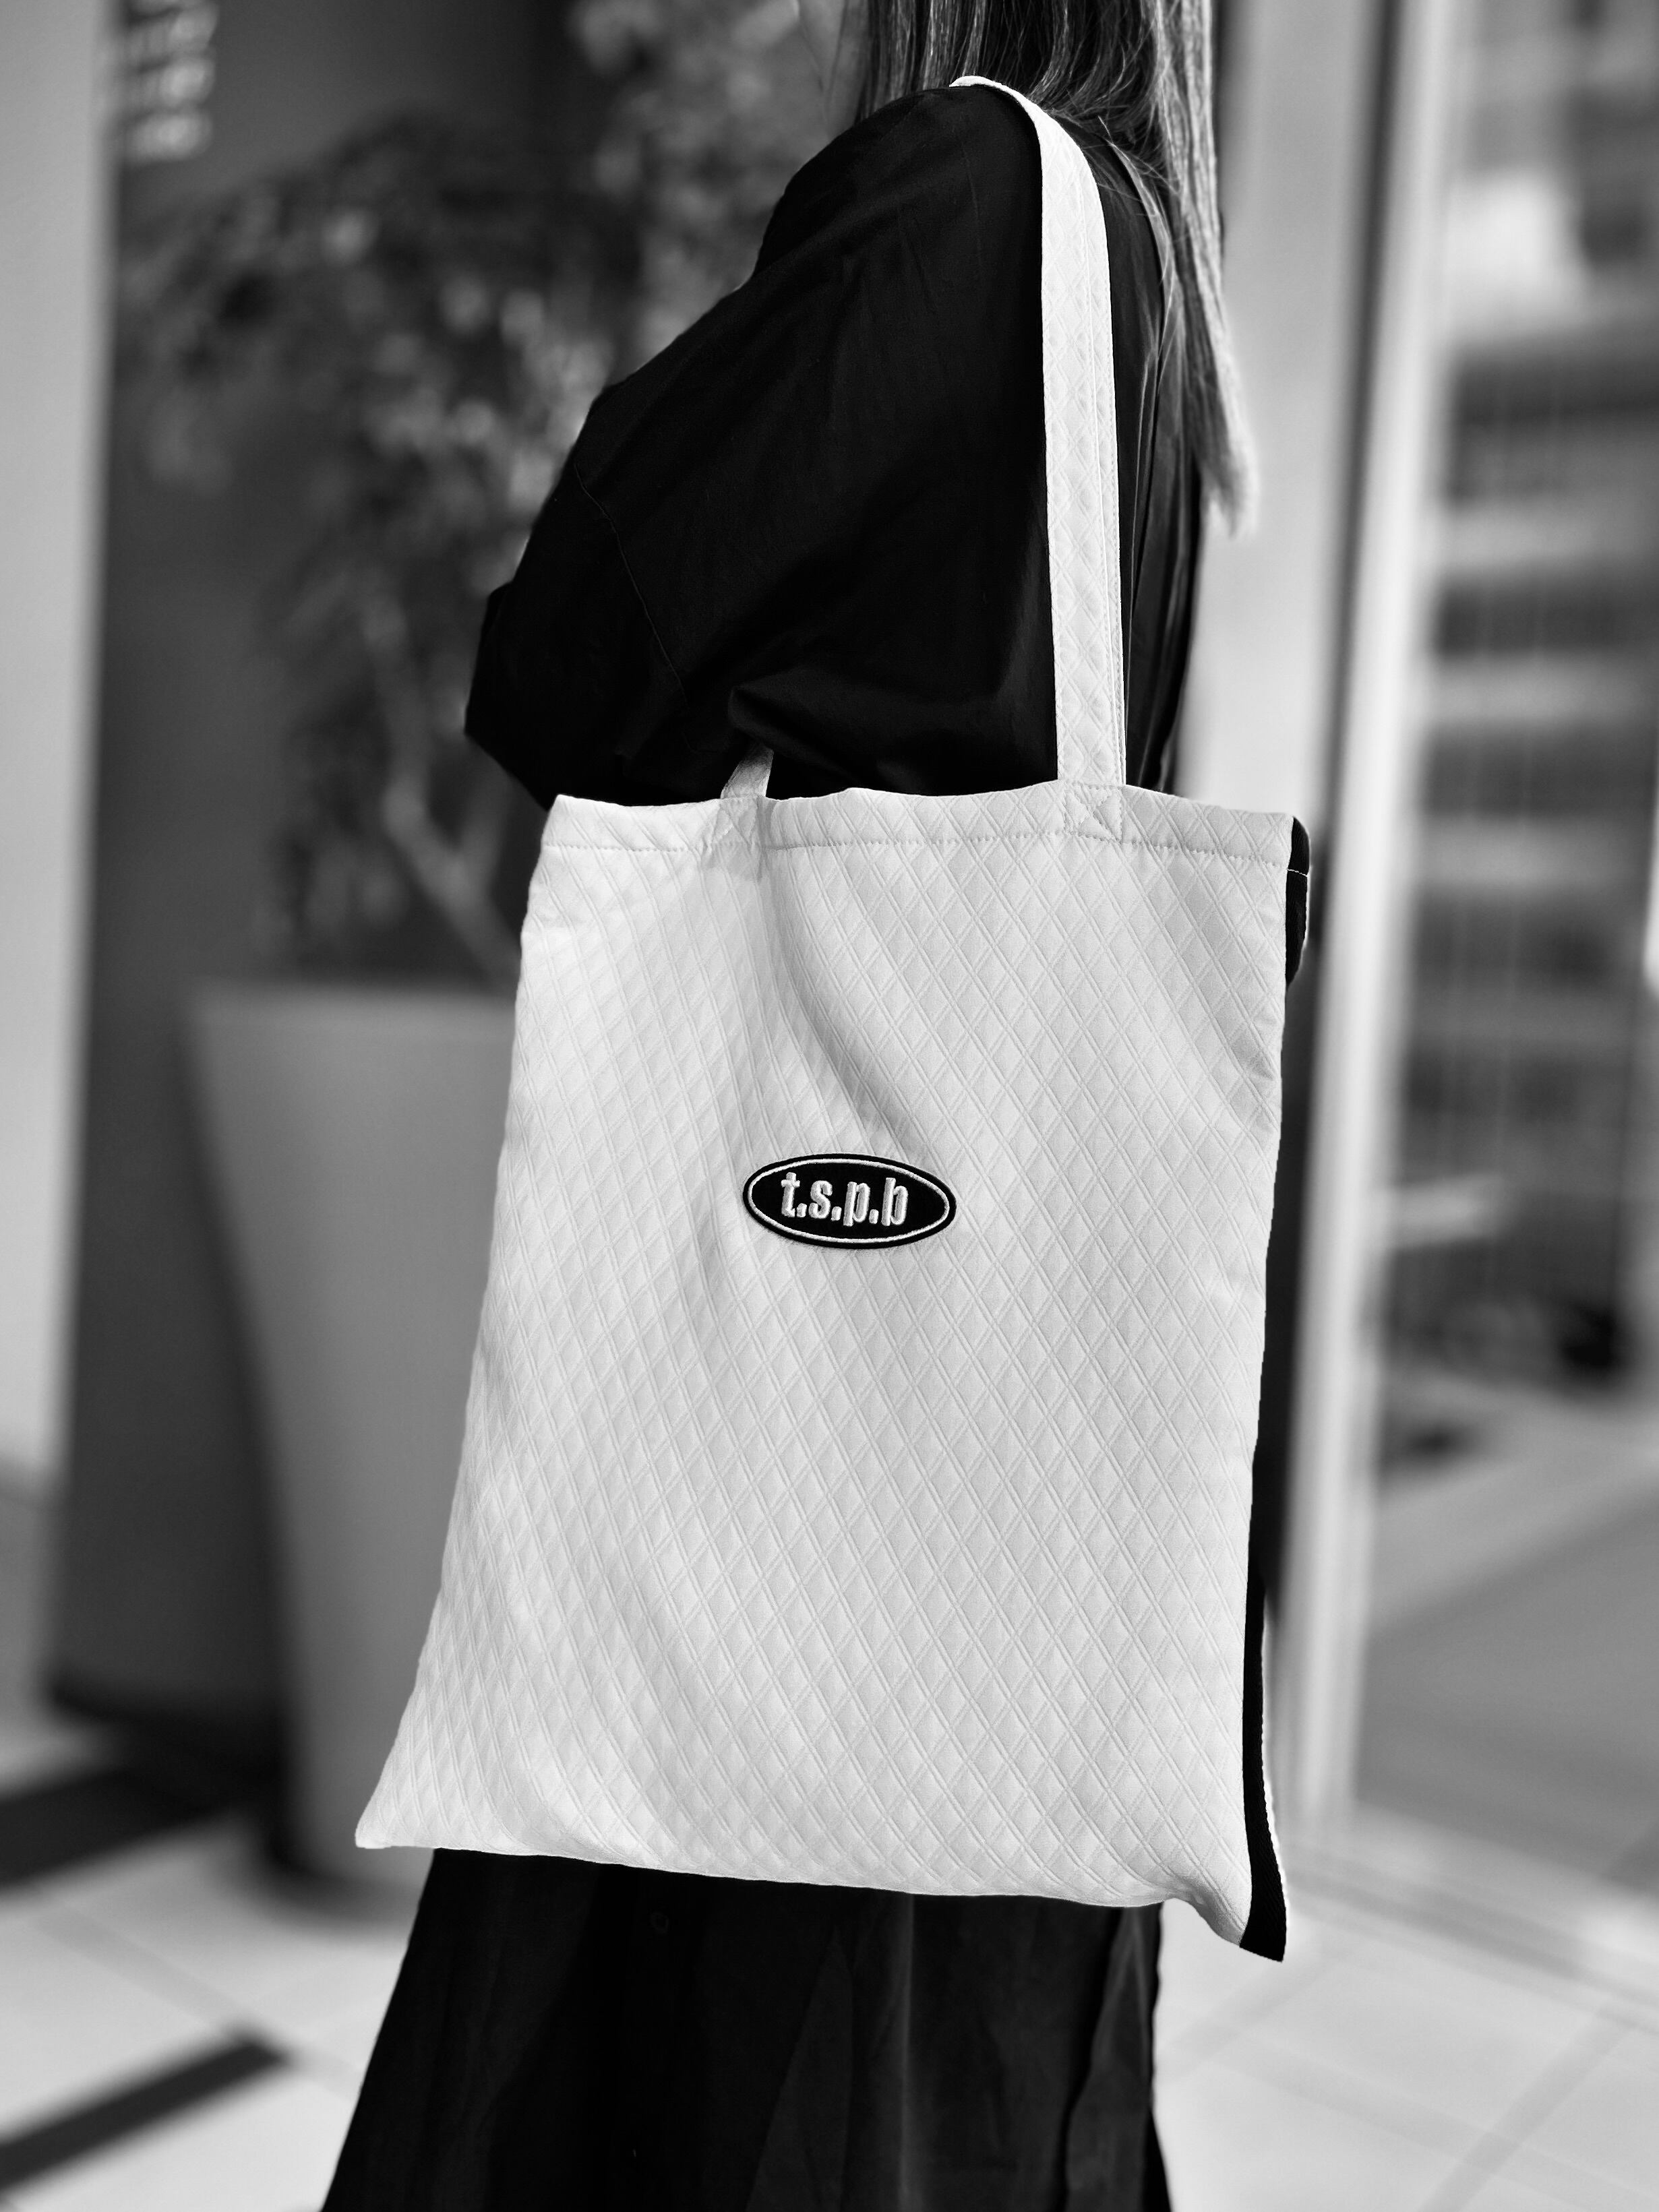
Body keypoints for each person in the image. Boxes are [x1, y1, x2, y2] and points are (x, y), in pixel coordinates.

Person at [324, 0, 1250, 2204]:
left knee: (693, 2092)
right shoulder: (1145, 267)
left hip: (781, 1522)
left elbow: (573, 650)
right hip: (993, 1556)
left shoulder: (956, 196)